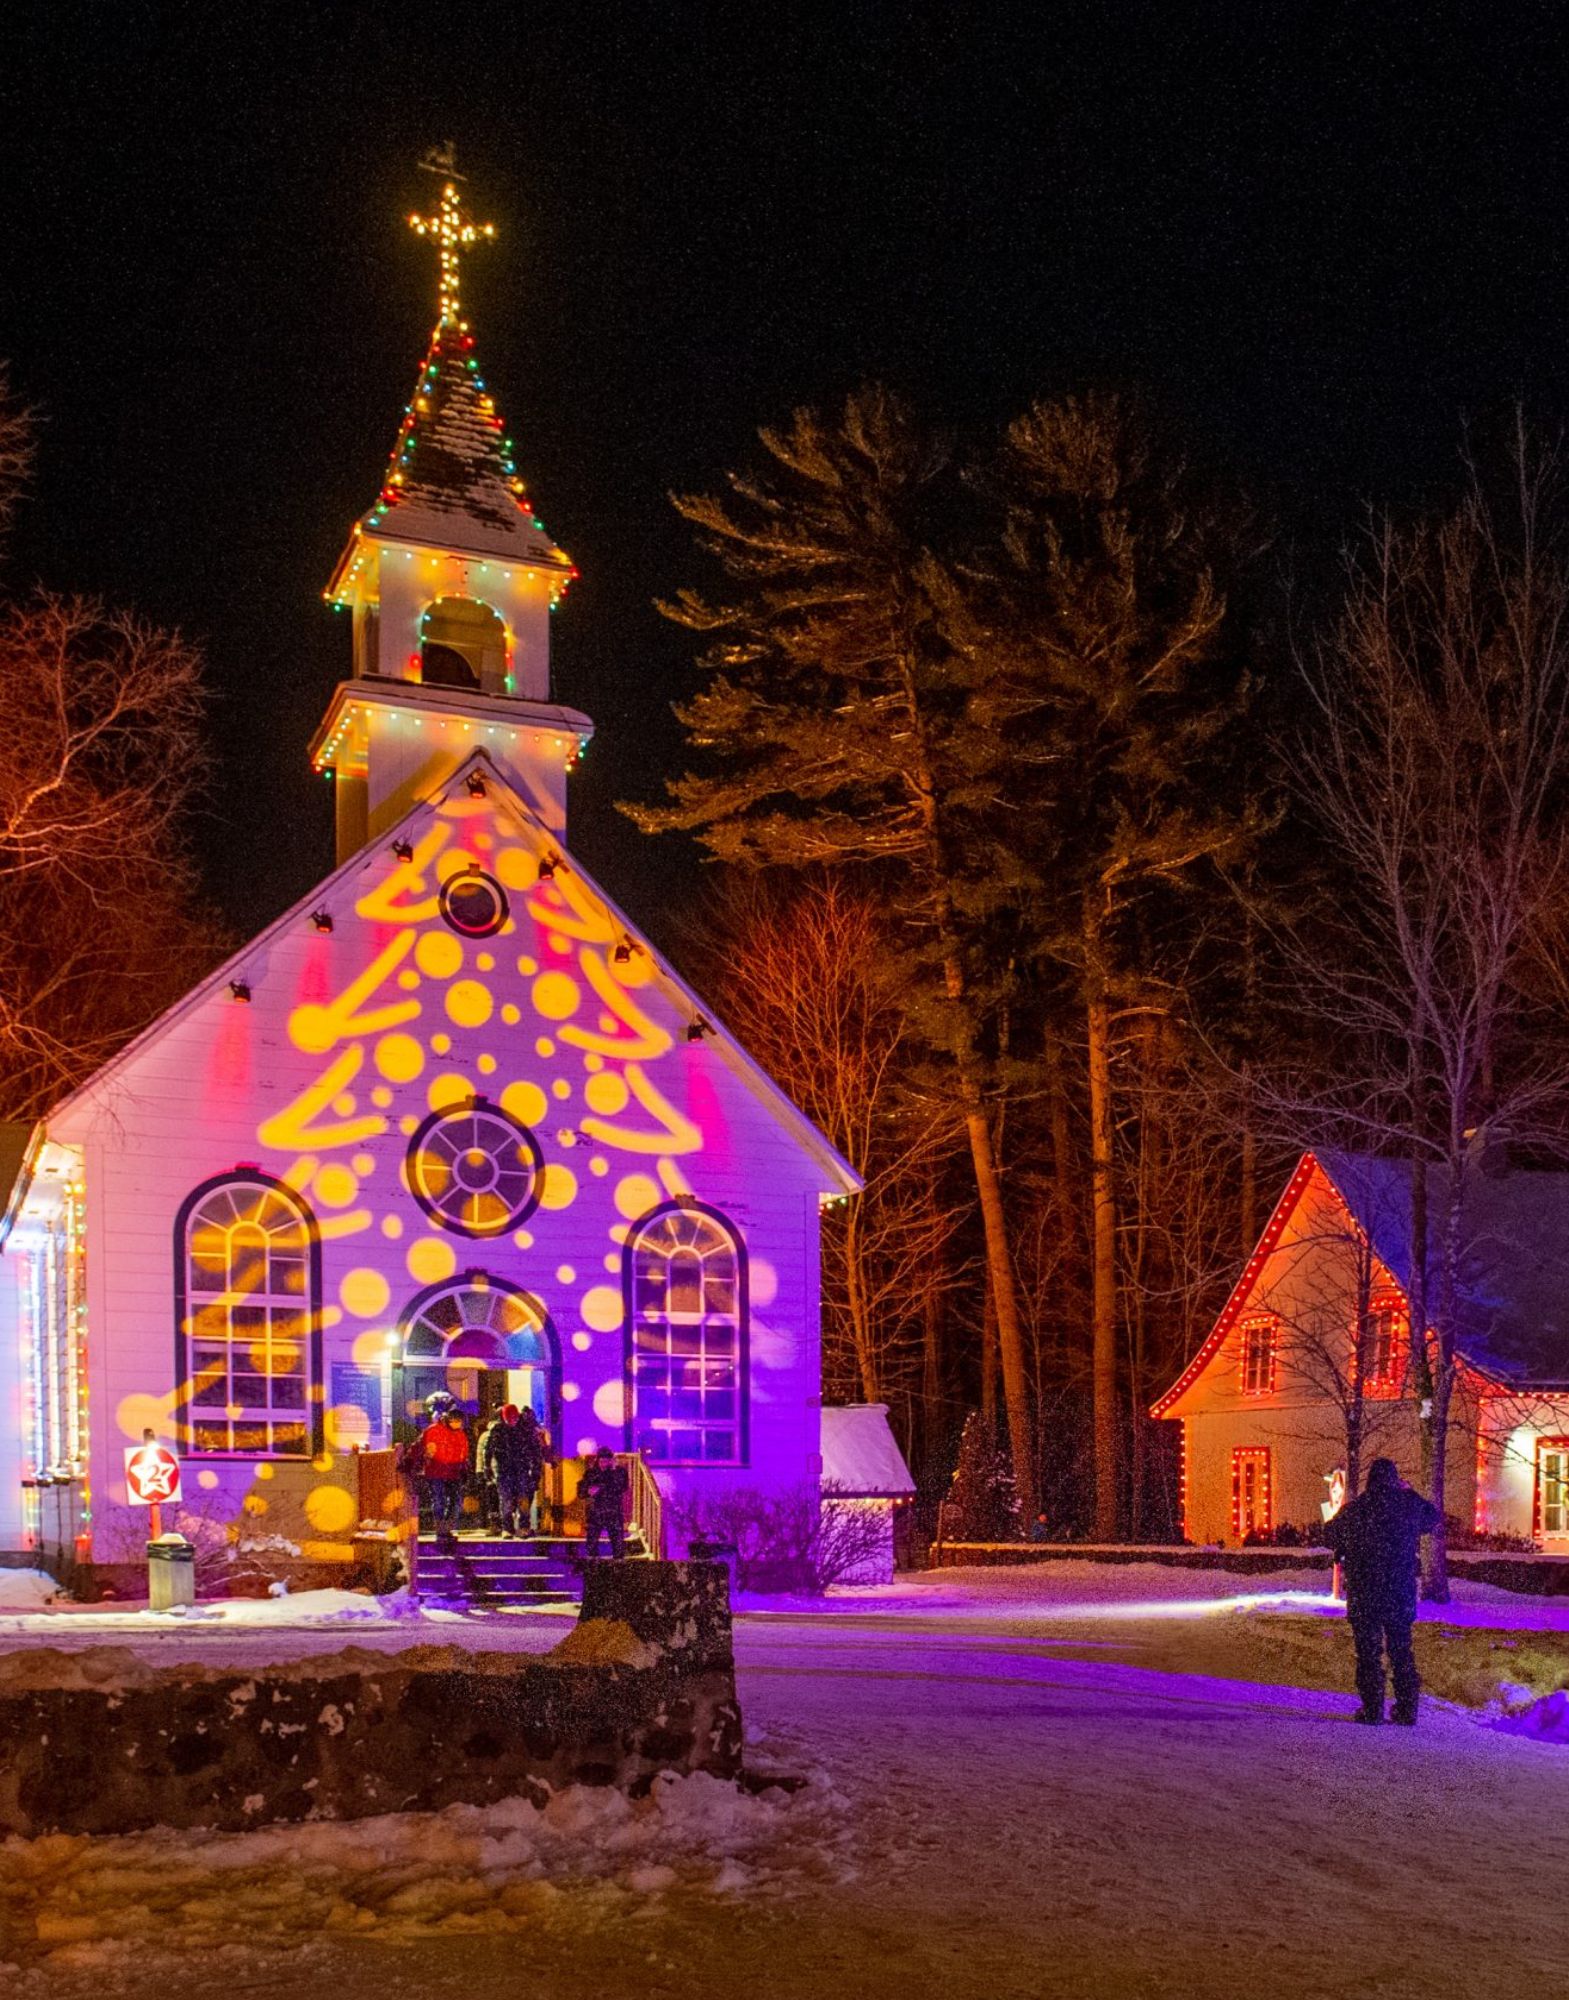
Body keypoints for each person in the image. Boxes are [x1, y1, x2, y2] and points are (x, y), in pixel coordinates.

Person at [1322, 1456, 1440, 1725]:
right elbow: (1433, 1517)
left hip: (1366, 1593)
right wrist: (1409, 1492)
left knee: (1368, 1653)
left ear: (1370, 1480)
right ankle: (1407, 1709)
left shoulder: (1357, 1509)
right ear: (1395, 1479)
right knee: (1401, 1651)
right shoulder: (1408, 1505)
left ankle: (1373, 1709)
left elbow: (1328, 1535)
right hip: (1399, 1593)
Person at [483, 1404, 546, 1537]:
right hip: (504, 1469)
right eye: (508, 1418)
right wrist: (487, 1467)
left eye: (513, 1418)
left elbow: (535, 1451)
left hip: (521, 1468)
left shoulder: (525, 1430)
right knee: (506, 1500)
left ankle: (523, 1526)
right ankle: (508, 1527)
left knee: (523, 1499)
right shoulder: (498, 1430)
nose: (511, 1421)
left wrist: (535, 1470)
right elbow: (488, 1449)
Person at [415, 1407, 471, 1544]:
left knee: (455, 1502)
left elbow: (463, 1453)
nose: (458, 1424)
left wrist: (463, 1467)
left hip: (453, 1472)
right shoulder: (433, 1430)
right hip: (436, 1471)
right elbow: (421, 1447)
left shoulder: (460, 1434)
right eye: (456, 1421)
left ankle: (446, 1528)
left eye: (460, 1422)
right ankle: (441, 1530)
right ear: (449, 1419)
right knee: (439, 1501)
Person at [580, 1445, 629, 1561]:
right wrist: (587, 1491)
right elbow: (581, 1490)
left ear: (611, 1461)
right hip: (596, 1510)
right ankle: (593, 1561)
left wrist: (601, 1488)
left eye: (606, 1461)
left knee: (617, 1539)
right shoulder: (592, 1472)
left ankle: (618, 1562)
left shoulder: (618, 1472)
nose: (603, 1464)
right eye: (601, 1461)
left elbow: (621, 1487)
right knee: (592, 1538)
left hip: (613, 1509)